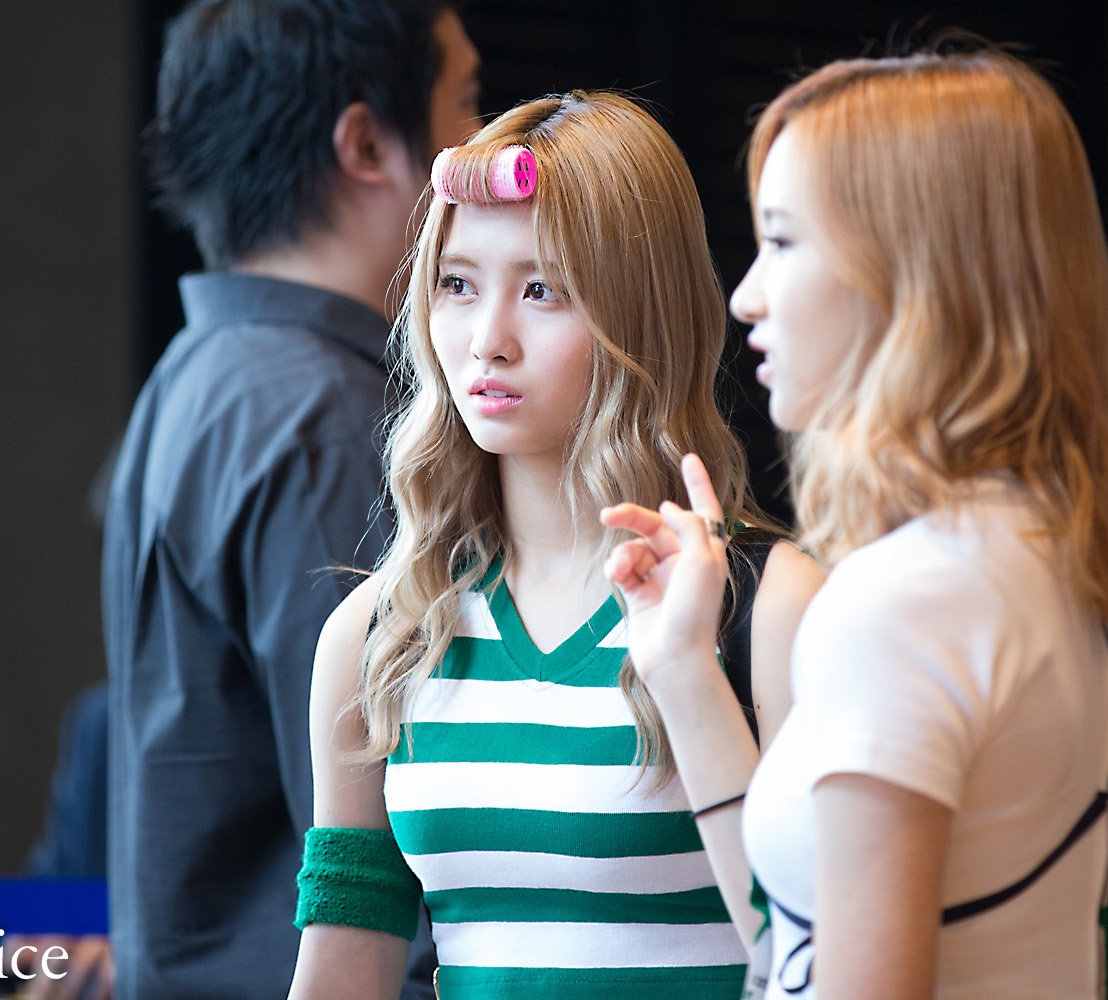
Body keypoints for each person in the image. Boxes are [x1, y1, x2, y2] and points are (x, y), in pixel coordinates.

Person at [603, 49, 1108, 999]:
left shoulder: (907, 599)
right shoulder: (1024, 551)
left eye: (784, 241)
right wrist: (685, 670)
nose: (745, 295)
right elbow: (794, 947)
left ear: (914, 273)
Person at [286, 91, 825, 1000]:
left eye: (543, 290)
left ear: (642, 313)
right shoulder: (380, 636)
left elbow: (826, 955)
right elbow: (342, 974)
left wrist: (690, 676)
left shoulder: (767, 610)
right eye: (457, 284)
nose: (486, 341)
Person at [102, 1, 480, 997]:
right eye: (468, 100)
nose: (485, 144)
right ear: (367, 143)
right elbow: (381, 839)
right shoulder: (323, 415)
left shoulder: (200, 373)